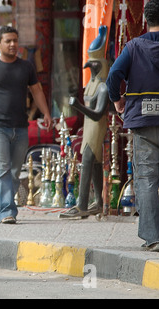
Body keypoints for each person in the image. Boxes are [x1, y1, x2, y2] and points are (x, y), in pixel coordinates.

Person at [0, 26, 52, 224]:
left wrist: (46, 113)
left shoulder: (26, 67)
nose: (12, 45)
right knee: (2, 169)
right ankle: (8, 211)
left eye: (15, 41)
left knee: (15, 172)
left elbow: (36, 91)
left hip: (20, 127)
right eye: (8, 41)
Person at [106, 0, 159, 252]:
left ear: (147, 19)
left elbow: (113, 76)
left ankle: (155, 237)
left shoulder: (133, 47)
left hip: (143, 121)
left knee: (147, 180)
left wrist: (117, 100)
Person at [60, 25, 110, 219]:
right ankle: (97, 201)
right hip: (89, 125)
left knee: (88, 160)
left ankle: (81, 205)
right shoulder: (92, 85)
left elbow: (98, 114)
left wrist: (78, 106)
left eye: (93, 64)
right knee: (94, 162)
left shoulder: (103, 88)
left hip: (96, 126)